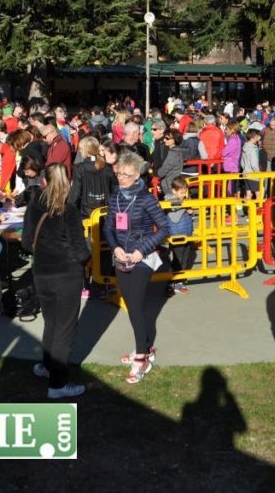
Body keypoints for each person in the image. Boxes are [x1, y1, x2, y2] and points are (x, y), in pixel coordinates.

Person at [102, 152, 171, 384]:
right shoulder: (115, 196)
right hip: (121, 257)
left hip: (142, 257)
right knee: (131, 306)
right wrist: (115, 248)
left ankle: (142, 357)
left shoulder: (146, 198)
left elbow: (164, 228)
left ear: (137, 176)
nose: (121, 178)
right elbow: (108, 228)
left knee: (136, 305)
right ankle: (144, 346)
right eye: (119, 173)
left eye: (126, 174)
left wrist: (142, 250)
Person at [23, 164, 90, 399]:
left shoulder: (35, 205)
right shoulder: (68, 211)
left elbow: (26, 242)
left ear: (45, 180)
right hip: (65, 275)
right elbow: (80, 251)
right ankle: (58, 384)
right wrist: (84, 257)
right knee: (64, 329)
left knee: (52, 323)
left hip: (42, 273)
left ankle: (47, 366)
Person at [155, 129, 184, 196]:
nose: (164, 140)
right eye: (164, 138)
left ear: (174, 140)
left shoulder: (173, 154)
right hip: (174, 182)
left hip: (169, 185)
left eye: (167, 138)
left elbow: (162, 171)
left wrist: (156, 172)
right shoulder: (178, 151)